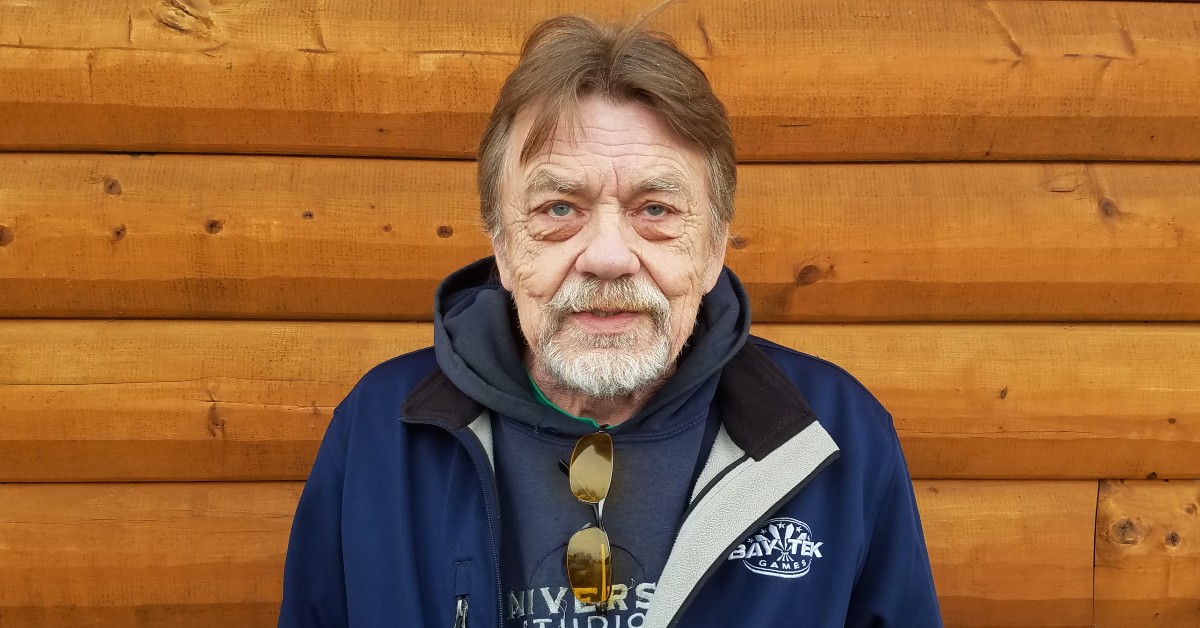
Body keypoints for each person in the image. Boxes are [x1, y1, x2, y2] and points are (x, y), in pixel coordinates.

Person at [278, 13, 941, 628]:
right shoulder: (379, 433)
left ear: (712, 249)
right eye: (558, 209)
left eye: (655, 209)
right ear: (503, 248)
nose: (606, 256)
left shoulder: (837, 435)